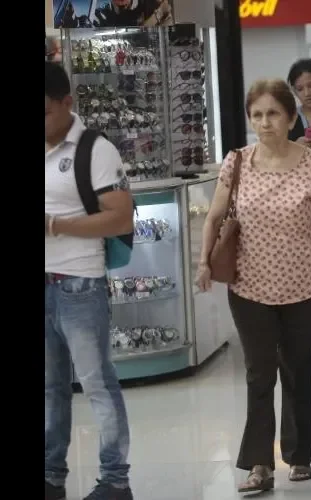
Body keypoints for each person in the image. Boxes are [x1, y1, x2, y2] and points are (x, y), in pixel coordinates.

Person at [195, 79, 311, 492]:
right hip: (249, 288)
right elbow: (214, 217)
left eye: (273, 114)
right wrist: (204, 262)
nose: (265, 123)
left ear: (291, 118)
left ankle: (299, 456)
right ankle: (259, 464)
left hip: (306, 285)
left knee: (300, 370)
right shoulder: (237, 163)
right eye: (257, 115)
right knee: (258, 374)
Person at [45, 61, 134, 500]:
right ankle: (51, 477)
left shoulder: (95, 150)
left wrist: (55, 226)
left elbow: (119, 216)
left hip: (80, 284)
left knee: (98, 383)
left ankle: (115, 481)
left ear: (67, 103)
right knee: (49, 387)